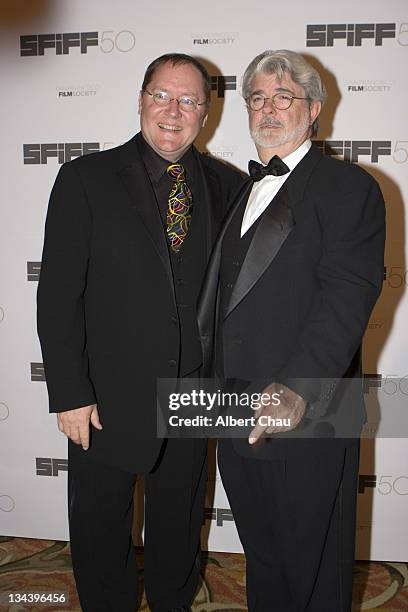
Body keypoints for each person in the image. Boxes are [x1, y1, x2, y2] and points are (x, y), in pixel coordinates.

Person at [37, 53, 242, 612]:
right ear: (141, 99)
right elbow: (57, 295)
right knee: (101, 524)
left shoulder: (231, 187)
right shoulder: (85, 178)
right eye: (162, 95)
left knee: (178, 523)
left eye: (189, 100)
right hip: (106, 394)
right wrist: (71, 393)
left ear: (206, 113)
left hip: (194, 392)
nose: (173, 111)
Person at [197, 50, 385, 611]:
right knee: (265, 554)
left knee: (314, 562)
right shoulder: (238, 192)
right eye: (257, 97)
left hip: (307, 408)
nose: (269, 108)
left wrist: (299, 387)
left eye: (285, 97)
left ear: (315, 111)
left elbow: (348, 293)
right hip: (235, 406)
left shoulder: (348, 186)